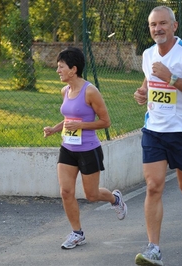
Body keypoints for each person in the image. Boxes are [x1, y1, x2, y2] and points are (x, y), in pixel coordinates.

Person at [133, 6, 182, 265]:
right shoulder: (147, 54)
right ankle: (154, 248)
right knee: (153, 186)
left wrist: (172, 78)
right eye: (153, 25)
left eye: (163, 23)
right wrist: (142, 93)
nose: (158, 29)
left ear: (174, 26)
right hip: (154, 131)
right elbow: (148, 82)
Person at [43, 47, 127, 249]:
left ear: (73, 69)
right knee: (65, 191)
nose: (58, 71)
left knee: (91, 195)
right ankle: (77, 233)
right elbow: (68, 119)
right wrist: (55, 128)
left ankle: (115, 199)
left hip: (88, 149)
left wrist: (81, 125)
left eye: (61, 67)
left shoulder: (90, 91)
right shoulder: (65, 91)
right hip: (68, 149)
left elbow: (105, 121)